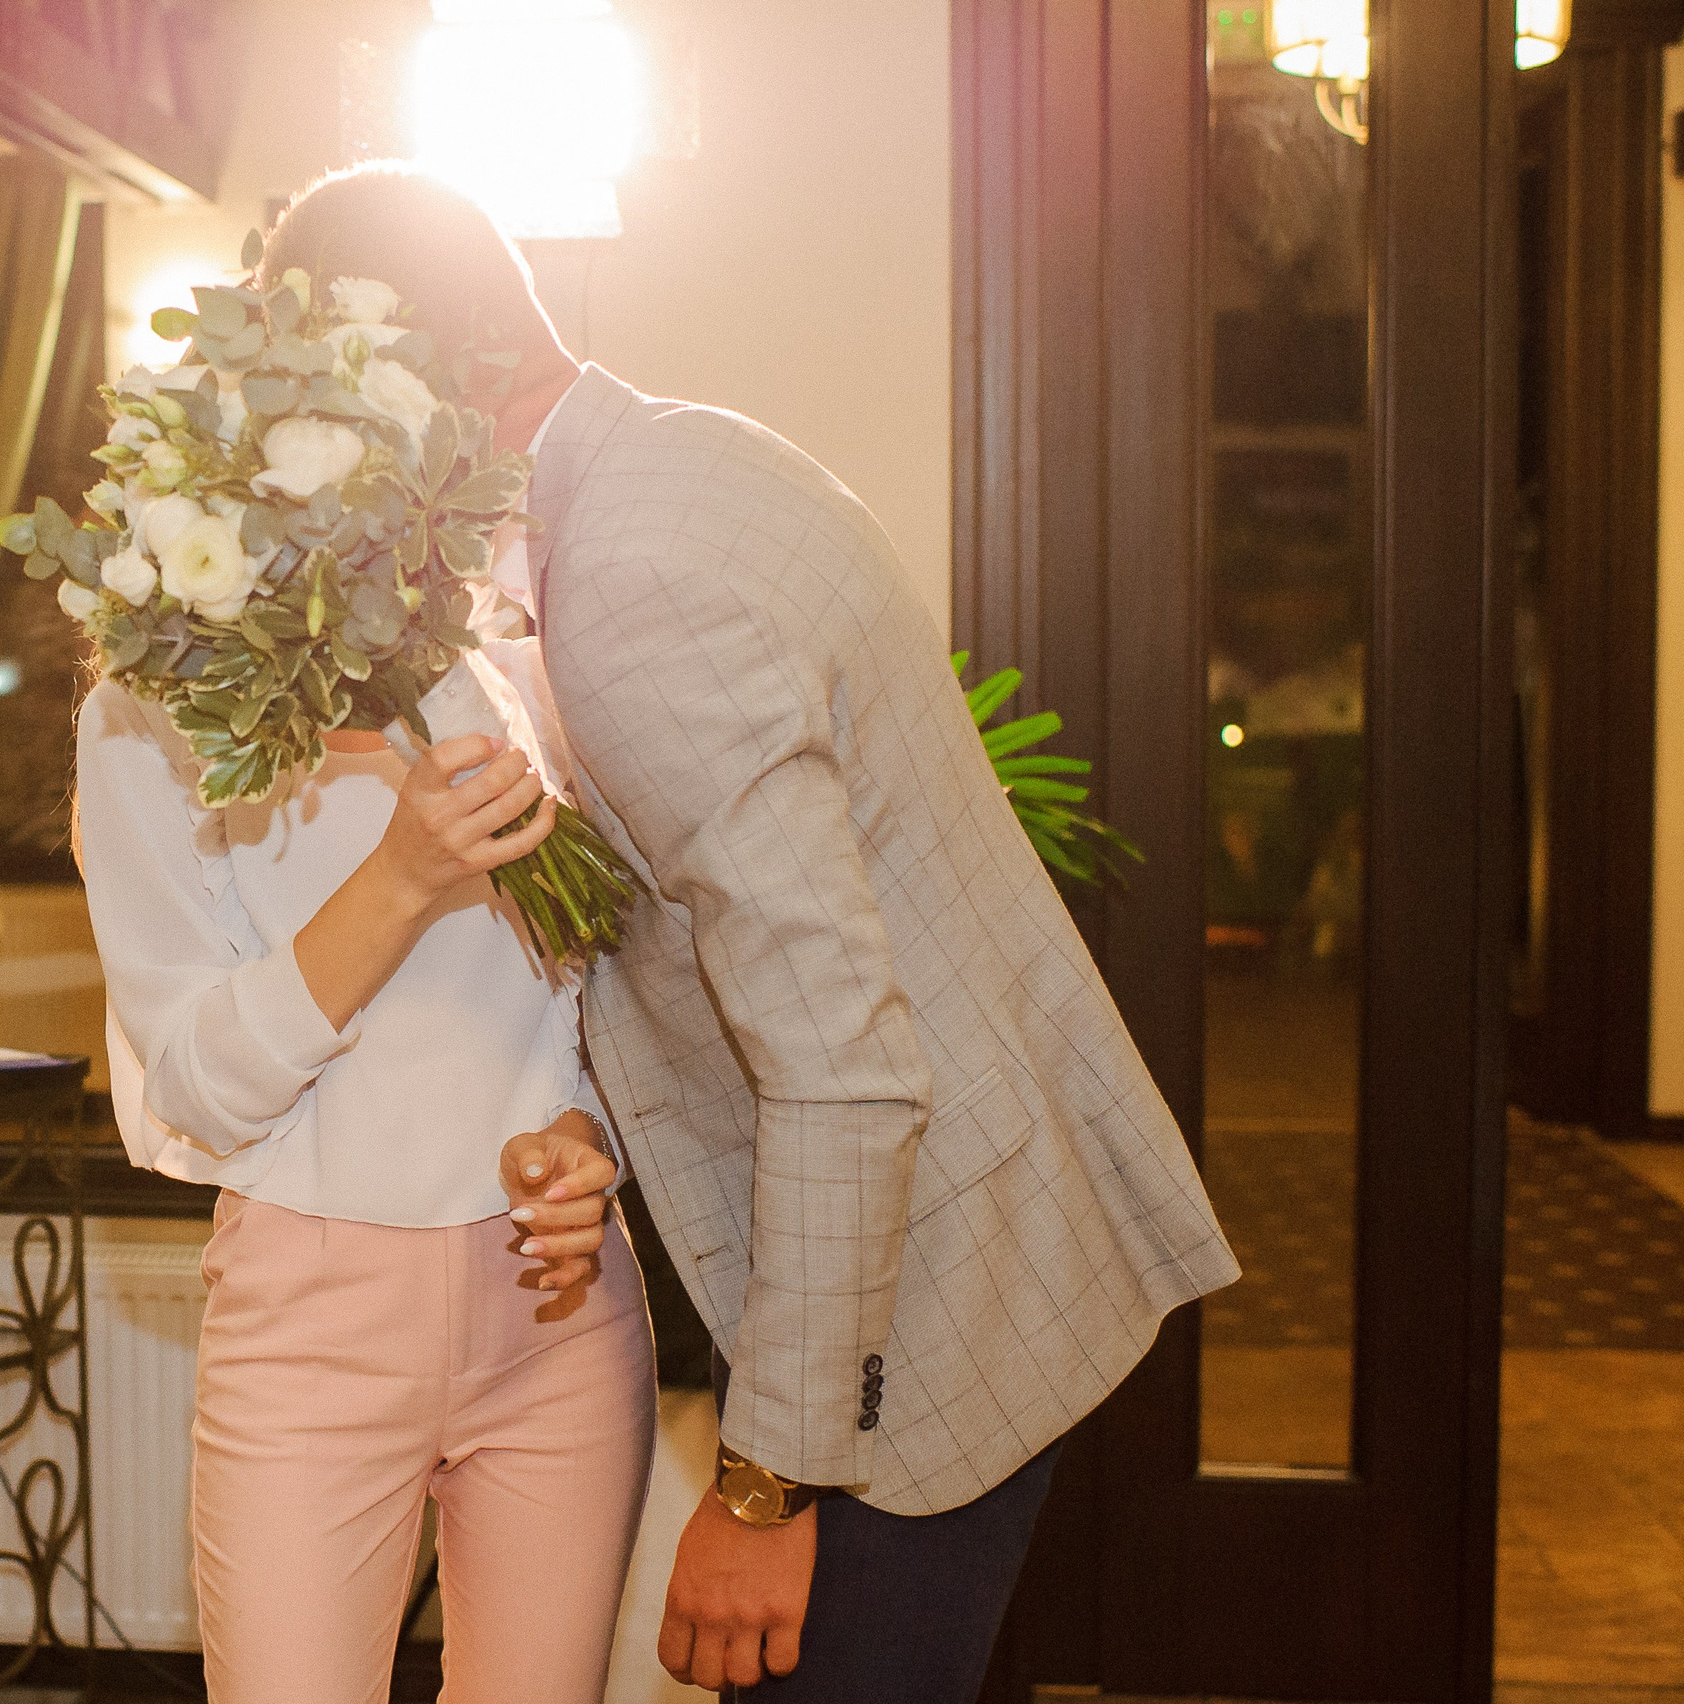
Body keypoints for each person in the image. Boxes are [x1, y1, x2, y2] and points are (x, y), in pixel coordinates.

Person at [259, 164, 1242, 1702]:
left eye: (334, 423)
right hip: (962, 1253)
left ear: (446, 382)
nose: (327, 482)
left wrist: (769, 1486)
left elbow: (843, 1067)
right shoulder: (679, 460)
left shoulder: (635, 580)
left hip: (913, 1320)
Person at [78, 653, 656, 1692]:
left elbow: (615, 984)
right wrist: (399, 877)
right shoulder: (141, 716)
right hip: (308, 1325)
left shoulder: (523, 659)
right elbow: (196, 1086)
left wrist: (582, 1131)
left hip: (560, 1315)